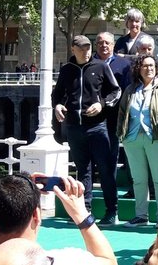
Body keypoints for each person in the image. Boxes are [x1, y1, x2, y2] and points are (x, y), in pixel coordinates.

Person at [52, 35, 121, 225]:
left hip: (97, 127)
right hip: (74, 127)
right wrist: (57, 106)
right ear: (73, 49)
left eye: (88, 47)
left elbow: (116, 91)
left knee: (106, 169)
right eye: (81, 48)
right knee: (83, 171)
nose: (86, 51)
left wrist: (102, 104)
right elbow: (57, 94)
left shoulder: (101, 66)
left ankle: (111, 211)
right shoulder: (67, 70)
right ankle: (85, 210)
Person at [0, 174, 117, 265]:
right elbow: (108, 261)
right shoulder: (65, 260)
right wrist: (81, 214)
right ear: (36, 215)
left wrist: (12, 199)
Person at [116, 54, 158, 228]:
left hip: (157, 139)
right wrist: (122, 135)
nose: (148, 68)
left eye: (152, 65)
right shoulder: (130, 89)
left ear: (157, 68)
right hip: (133, 139)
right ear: (138, 68)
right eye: (144, 65)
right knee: (138, 179)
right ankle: (140, 215)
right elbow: (122, 112)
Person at [94, 31, 135, 198]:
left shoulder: (124, 64)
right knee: (95, 159)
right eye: (100, 42)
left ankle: (114, 198)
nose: (104, 46)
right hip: (93, 119)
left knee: (115, 157)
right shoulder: (90, 63)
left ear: (113, 45)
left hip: (116, 118)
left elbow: (128, 90)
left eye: (107, 43)